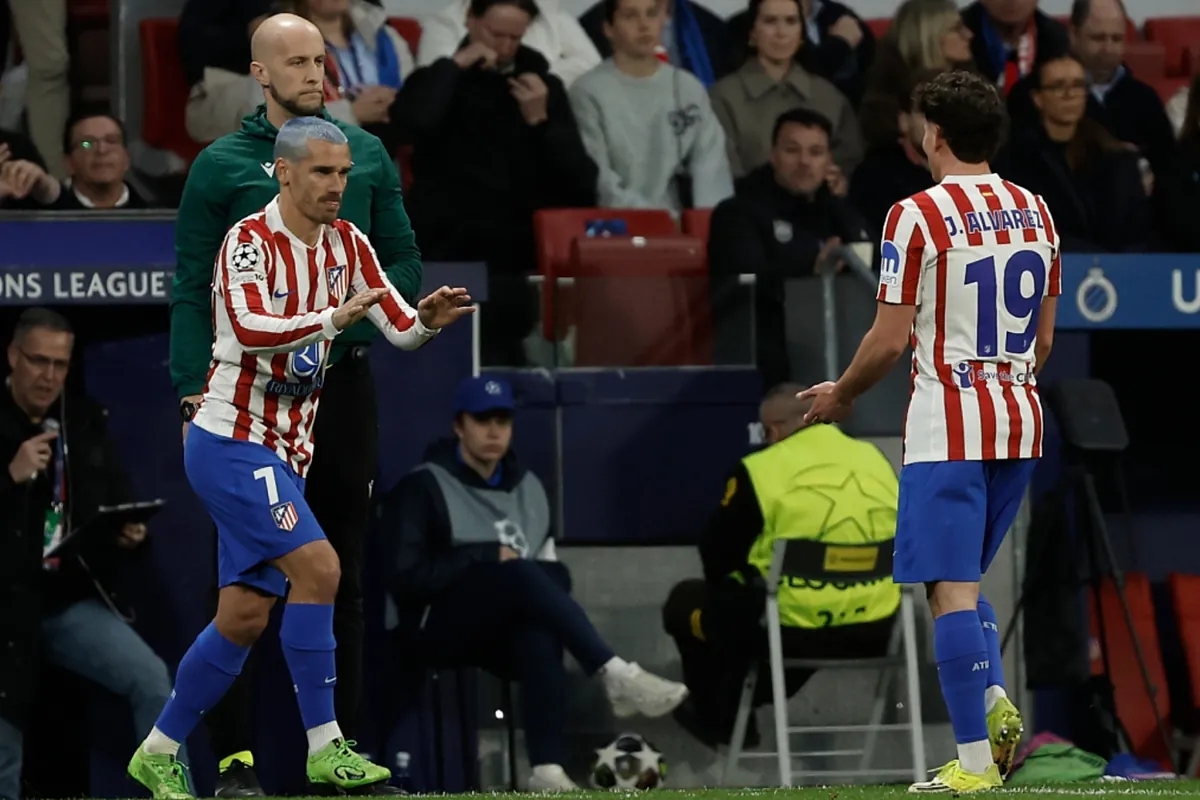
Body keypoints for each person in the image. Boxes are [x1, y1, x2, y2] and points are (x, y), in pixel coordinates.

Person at [128, 116, 473, 800]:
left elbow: (398, 329)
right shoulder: (248, 243)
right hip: (229, 437)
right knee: (321, 567)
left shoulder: (349, 243)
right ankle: (326, 746)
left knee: (245, 616)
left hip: (288, 450)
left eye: (343, 173)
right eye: (322, 172)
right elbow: (252, 329)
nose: (337, 186)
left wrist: (426, 320)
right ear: (284, 173)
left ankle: (158, 749)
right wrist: (330, 320)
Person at [169, 13, 423, 794]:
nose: (316, 72)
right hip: (245, 398)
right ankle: (238, 762)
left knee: (337, 566)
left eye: (322, 58)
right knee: (244, 584)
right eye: (298, 61)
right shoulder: (221, 167)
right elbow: (189, 287)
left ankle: (336, 758)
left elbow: (399, 260)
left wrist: (369, 325)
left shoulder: (365, 154)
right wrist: (189, 384)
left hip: (336, 389)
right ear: (260, 72)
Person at [800, 70, 1060, 793]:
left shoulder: (916, 215)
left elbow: (886, 341)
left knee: (946, 590)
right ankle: (994, 703)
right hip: (1019, 421)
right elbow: (1043, 341)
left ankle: (975, 766)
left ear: (934, 134)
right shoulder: (1037, 211)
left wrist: (842, 394)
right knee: (963, 586)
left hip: (949, 424)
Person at [382, 376, 689, 791]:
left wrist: (509, 569)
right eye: (482, 420)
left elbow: (553, 574)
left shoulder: (527, 487)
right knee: (518, 572)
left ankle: (545, 769)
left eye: (502, 420)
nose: (494, 430)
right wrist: (485, 556)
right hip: (432, 626)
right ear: (459, 425)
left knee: (539, 626)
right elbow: (405, 580)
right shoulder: (424, 486)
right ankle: (613, 671)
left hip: (503, 629)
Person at [0, 308, 180, 800]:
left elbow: (116, 498)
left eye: (60, 364)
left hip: (64, 600)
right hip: (5, 608)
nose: (49, 376)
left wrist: (130, 536)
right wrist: (9, 477)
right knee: (5, 747)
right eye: (38, 361)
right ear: (13, 357)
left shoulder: (81, 420)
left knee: (154, 682)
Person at [662, 383, 898, 749]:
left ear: (772, 430)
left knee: (688, 603)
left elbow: (717, 555)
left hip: (792, 631)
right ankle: (736, 704)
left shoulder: (760, 470)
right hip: (877, 628)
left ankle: (720, 715)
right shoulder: (874, 458)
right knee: (754, 614)